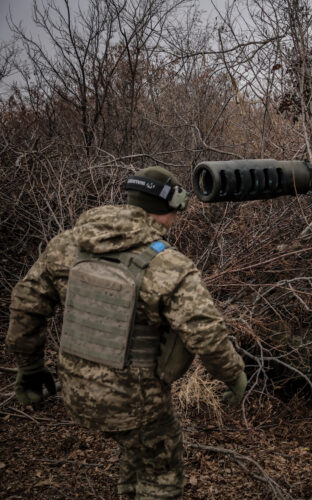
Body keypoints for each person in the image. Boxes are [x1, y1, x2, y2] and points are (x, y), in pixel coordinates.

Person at [7, 166, 247, 499]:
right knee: (160, 472)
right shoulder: (168, 264)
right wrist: (233, 375)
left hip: (77, 394)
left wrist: (29, 366)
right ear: (170, 207)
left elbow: (26, 302)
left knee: (133, 450)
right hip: (138, 403)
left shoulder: (68, 244)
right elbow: (206, 332)